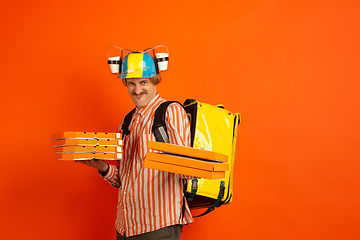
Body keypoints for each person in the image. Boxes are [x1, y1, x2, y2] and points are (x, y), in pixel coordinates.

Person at [76, 51, 193, 239]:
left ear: (155, 80)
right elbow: (126, 179)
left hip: (158, 225)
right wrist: (103, 167)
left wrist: (186, 162)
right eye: (131, 83)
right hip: (125, 226)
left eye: (143, 82)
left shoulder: (171, 112)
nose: (137, 90)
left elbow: (187, 169)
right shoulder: (127, 121)